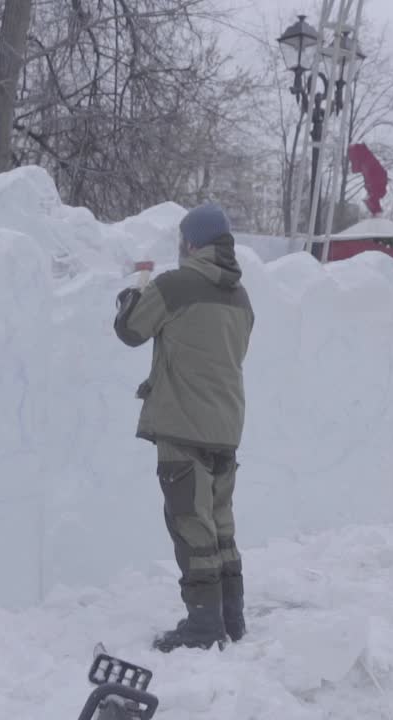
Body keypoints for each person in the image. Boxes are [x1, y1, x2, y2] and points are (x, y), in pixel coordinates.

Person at [112, 203, 254, 653]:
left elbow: (131, 331)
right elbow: (213, 354)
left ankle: (202, 624)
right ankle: (232, 617)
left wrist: (129, 298)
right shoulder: (240, 297)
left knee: (191, 526)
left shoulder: (174, 285)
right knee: (220, 525)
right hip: (226, 425)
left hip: (183, 428)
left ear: (191, 243)